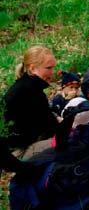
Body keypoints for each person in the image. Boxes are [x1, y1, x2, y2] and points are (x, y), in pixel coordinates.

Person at [0, 46, 59, 175]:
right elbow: (50, 124)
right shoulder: (27, 92)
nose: (52, 72)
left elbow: (47, 120)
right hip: (17, 153)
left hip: (24, 143)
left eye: (53, 67)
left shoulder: (28, 88)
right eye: (48, 68)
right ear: (32, 68)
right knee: (71, 145)